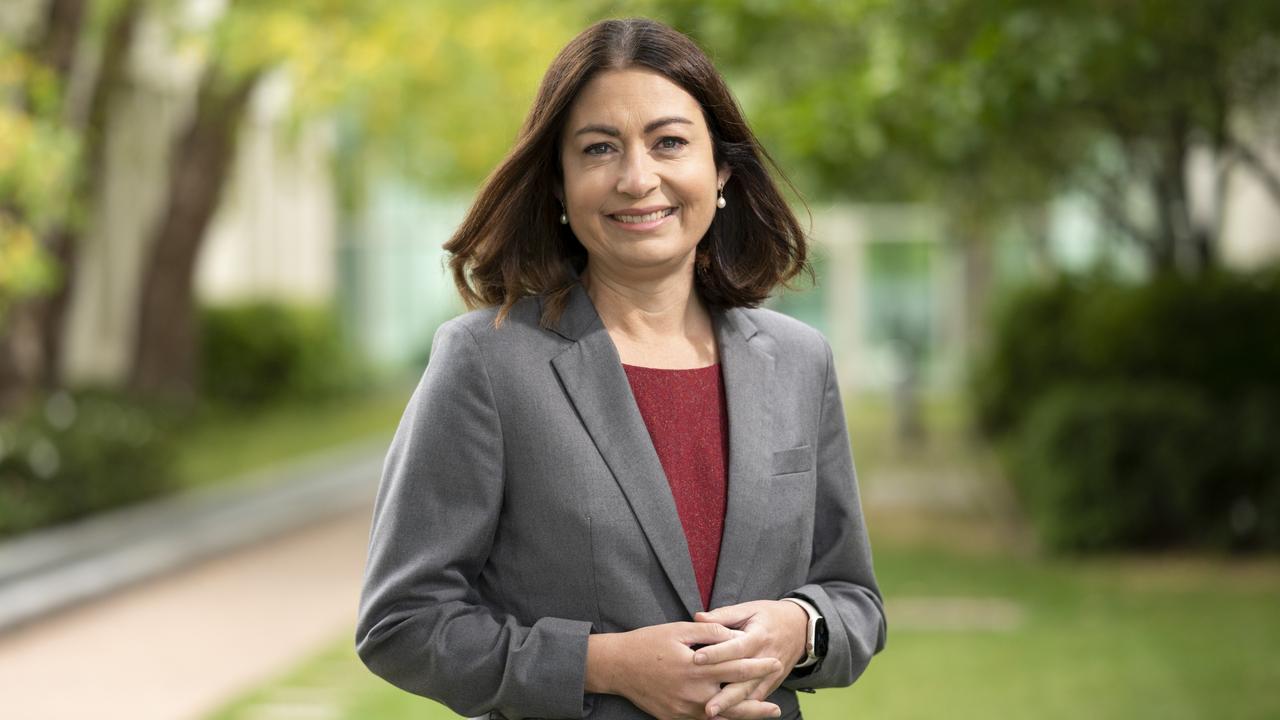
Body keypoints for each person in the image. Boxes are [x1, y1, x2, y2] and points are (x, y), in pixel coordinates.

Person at [356, 17, 886, 720]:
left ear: (721, 168)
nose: (638, 179)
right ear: (558, 184)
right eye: (600, 148)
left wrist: (801, 629)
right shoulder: (486, 362)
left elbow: (854, 599)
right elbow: (401, 622)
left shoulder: (798, 361)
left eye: (669, 142)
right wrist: (603, 666)